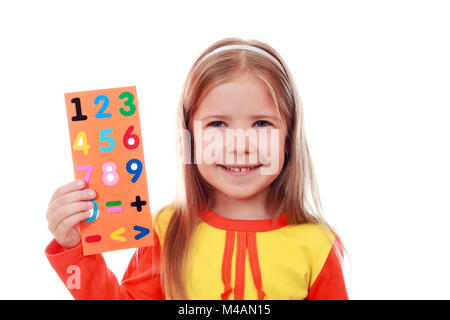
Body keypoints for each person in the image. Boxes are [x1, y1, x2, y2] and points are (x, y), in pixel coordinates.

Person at [45, 37, 348, 300]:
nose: (238, 145)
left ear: (288, 138)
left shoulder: (317, 246)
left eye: (261, 123)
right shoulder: (167, 230)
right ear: (189, 137)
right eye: (217, 124)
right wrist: (74, 249)